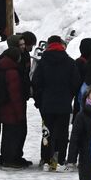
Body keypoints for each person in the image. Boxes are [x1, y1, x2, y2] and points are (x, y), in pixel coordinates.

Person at [34, 34, 79, 170]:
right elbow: (76, 83)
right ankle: (60, 159)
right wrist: (69, 94)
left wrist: (39, 98)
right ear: (61, 45)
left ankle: (46, 159)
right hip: (64, 103)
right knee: (63, 132)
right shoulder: (70, 62)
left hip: (47, 103)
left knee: (47, 131)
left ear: (48, 45)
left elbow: (36, 82)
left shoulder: (43, 62)